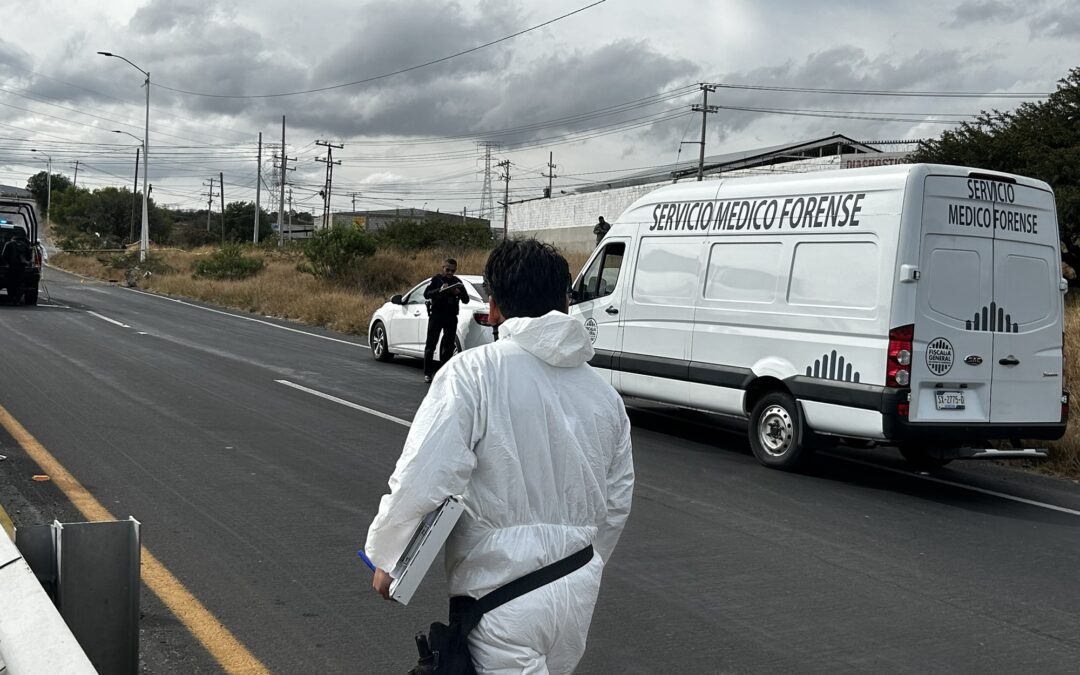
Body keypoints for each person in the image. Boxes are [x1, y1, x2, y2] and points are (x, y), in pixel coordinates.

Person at [365, 238, 634, 674]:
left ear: (493, 307)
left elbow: (426, 474)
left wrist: (389, 557)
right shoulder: (605, 396)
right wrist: (590, 560)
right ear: (565, 303)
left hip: (500, 593)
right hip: (576, 585)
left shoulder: (472, 373)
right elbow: (616, 500)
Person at [422, 258, 469, 383]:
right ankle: (428, 373)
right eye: (447, 270)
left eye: (452, 270)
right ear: (443, 267)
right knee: (431, 345)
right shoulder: (436, 279)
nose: (449, 273)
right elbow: (426, 294)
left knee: (448, 347)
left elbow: (466, 299)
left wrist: (458, 292)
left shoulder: (457, 281)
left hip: (451, 317)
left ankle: (443, 372)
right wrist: (439, 290)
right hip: (437, 315)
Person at [2, 228, 32, 306]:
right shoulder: (25, 245)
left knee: (11, 283)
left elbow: (4, 256)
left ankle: (11, 298)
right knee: (19, 283)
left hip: (11, 267)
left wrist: (6, 264)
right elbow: (29, 257)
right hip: (21, 267)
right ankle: (17, 299)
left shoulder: (8, 244)